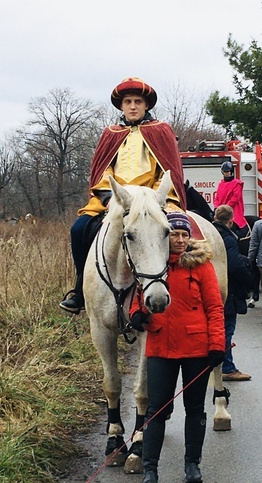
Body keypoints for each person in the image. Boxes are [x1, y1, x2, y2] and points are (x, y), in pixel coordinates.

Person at [60, 77, 187, 314]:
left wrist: (157, 197)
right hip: (116, 198)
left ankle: (181, 292)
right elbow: (103, 168)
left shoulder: (161, 131)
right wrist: (109, 196)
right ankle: (80, 289)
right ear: (121, 105)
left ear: (146, 105)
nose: (132, 106)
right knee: (79, 230)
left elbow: (168, 171)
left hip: (152, 198)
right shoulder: (111, 134)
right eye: (128, 101)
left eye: (137, 101)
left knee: (183, 232)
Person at [129, 212, 225, 483]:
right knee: (155, 411)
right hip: (161, 346)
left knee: (195, 410)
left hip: (196, 348)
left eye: (184, 235)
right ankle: (150, 470)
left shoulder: (202, 266)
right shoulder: (153, 266)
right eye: (175, 234)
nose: (180, 240)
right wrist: (136, 315)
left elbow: (215, 308)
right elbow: (138, 299)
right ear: (166, 237)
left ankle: (192, 464)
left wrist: (217, 345)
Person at [213, 205, 253, 381]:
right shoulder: (228, 238)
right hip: (228, 290)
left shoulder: (210, 233)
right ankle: (227, 367)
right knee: (226, 330)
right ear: (231, 220)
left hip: (212, 288)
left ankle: (214, 365)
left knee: (216, 329)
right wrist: (249, 280)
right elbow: (234, 265)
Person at [213, 161, 249, 239]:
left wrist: (225, 208)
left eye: (228, 172)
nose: (226, 174)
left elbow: (235, 198)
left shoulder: (237, 183)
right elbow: (217, 198)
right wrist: (216, 208)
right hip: (221, 211)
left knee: (238, 226)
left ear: (231, 172)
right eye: (225, 172)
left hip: (234, 211)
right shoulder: (221, 184)